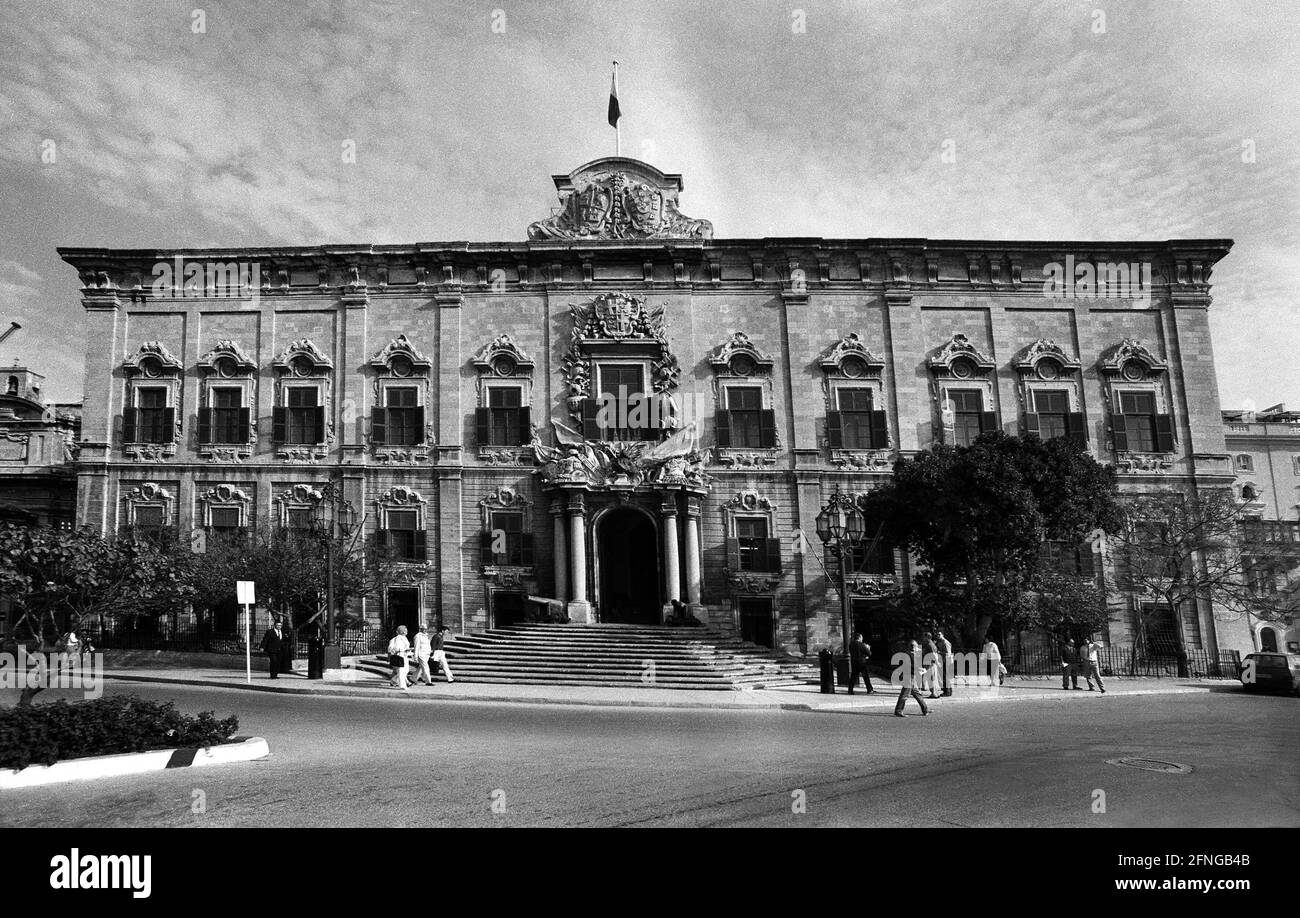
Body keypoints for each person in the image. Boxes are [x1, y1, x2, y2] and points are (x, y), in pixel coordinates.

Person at [893, 635, 930, 718]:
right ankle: (898, 710)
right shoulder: (907, 654)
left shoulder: (912, 654)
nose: (914, 647)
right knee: (904, 694)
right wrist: (919, 669)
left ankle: (925, 709)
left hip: (912, 676)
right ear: (910, 646)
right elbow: (909, 666)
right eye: (913, 645)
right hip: (908, 676)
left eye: (915, 645)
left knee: (917, 694)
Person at [387, 625, 411, 691]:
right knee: (401, 671)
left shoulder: (404, 638)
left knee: (406, 670)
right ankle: (402, 685)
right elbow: (392, 648)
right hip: (400, 656)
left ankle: (393, 680)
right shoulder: (397, 638)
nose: (407, 631)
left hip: (404, 656)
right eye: (406, 630)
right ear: (402, 631)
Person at [921, 631, 940, 698]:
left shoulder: (930, 644)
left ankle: (934, 694)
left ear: (927, 637)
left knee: (930, 679)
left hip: (929, 664)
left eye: (924, 636)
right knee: (932, 678)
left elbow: (934, 654)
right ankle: (935, 693)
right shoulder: (931, 644)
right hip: (930, 663)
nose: (923, 638)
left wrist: (937, 662)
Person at [935, 629, 954, 696]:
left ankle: (947, 692)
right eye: (937, 634)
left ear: (942, 635)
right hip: (942, 661)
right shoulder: (938, 642)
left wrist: (939, 652)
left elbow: (948, 654)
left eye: (939, 634)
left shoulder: (945, 642)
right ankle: (947, 691)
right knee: (943, 677)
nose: (938, 635)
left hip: (946, 661)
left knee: (945, 677)